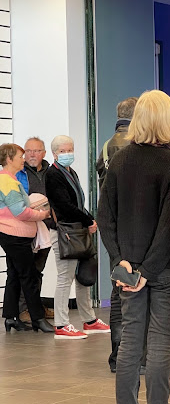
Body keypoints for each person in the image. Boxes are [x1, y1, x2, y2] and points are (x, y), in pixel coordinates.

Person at [98, 90, 170, 404]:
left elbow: (105, 217)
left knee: (130, 343)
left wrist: (121, 261)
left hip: (129, 268)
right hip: (166, 269)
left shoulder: (119, 161)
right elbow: (169, 226)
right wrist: (148, 271)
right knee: (160, 344)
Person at [46, 135, 110, 340]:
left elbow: (78, 203)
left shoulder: (70, 172)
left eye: (70, 149)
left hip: (77, 231)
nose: (68, 153)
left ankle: (89, 320)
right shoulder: (53, 174)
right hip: (66, 233)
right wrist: (88, 220)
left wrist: (90, 219)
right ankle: (61, 324)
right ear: (54, 153)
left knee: (83, 277)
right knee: (65, 278)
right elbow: (64, 205)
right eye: (63, 151)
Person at [96, 96, 138, 373]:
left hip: (112, 223)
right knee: (134, 289)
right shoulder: (134, 145)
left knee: (118, 286)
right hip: (133, 225)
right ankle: (131, 356)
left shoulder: (106, 146)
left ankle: (117, 356)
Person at [0, 143, 53, 333]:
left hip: (11, 235)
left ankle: (10, 317)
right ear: (9, 159)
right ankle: (38, 318)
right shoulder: (7, 182)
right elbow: (20, 212)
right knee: (29, 276)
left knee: (14, 275)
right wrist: (43, 214)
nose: (23, 160)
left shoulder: (9, 179)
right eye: (20, 156)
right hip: (15, 236)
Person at [18, 137, 54, 323]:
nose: (32, 154)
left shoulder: (51, 172)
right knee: (26, 271)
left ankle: (36, 308)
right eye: (28, 151)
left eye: (36, 151)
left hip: (47, 228)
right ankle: (24, 309)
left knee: (38, 270)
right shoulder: (19, 173)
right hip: (25, 228)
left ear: (44, 153)